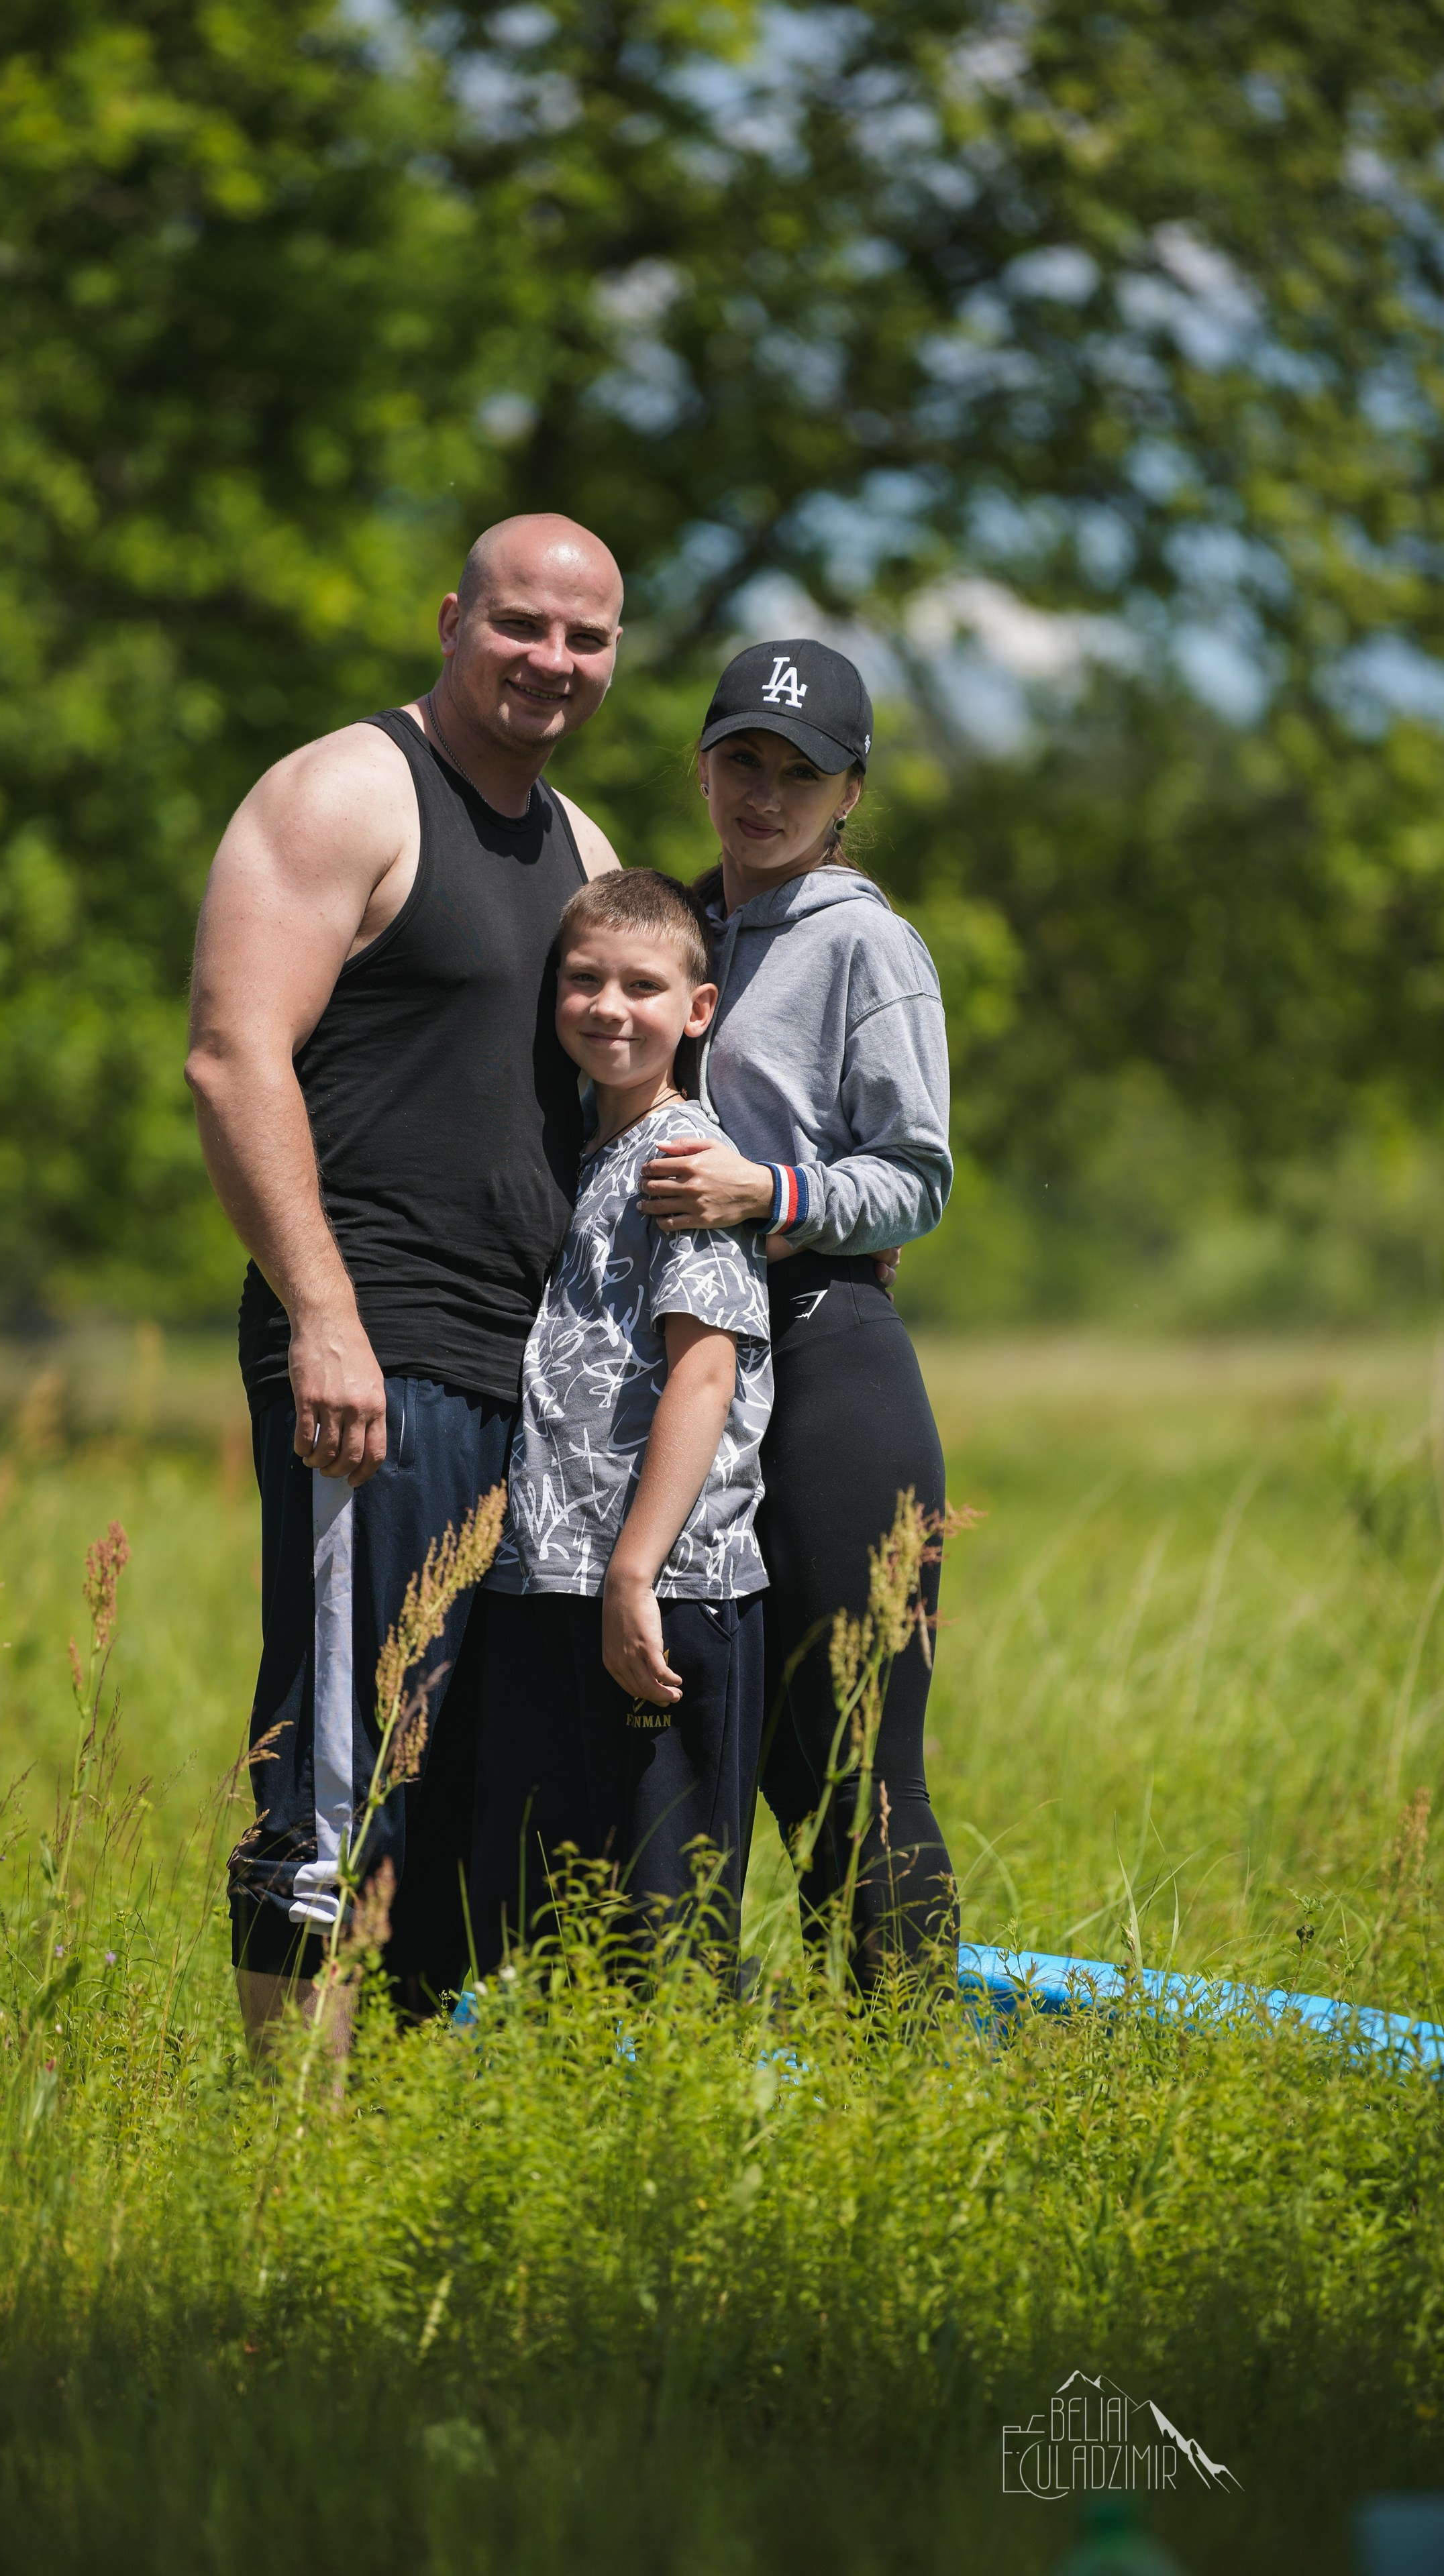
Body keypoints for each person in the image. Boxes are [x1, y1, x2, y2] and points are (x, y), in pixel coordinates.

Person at [185, 514, 623, 2055]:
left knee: (472, 1782)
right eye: (519, 625)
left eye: (583, 638)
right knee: (336, 1767)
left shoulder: (582, 849)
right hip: (371, 1359)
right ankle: (284, 2173)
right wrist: (319, 1314)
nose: (549, 661)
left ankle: (388, 2111)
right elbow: (235, 1058)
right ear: (452, 619)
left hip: (531, 1385)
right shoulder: (348, 793)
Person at [636, 637, 956, 1983]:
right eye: (741, 761)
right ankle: (697, 2073)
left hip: (827, 1368)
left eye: (799, 772)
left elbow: (916, 1177)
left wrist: (765, 1190)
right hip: (678, 1372)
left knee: (851, 1768)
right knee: (719, 1746)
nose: (764, 792)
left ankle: (901, 2085)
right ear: (701, 767)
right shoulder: (657, 932)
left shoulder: (865, 945)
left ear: (848, 797)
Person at [468, 869, 770, 1971]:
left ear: (698, 1010)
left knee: (664, 1937)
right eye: (584, 980)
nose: (609, 1006)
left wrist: (633, 1575)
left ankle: (681, 2142)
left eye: (643, 985)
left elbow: (704, 1374)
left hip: (665, 1591)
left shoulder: (688, 1162)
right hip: (547, 1583)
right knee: (551, 1928)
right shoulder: (580, 1158)